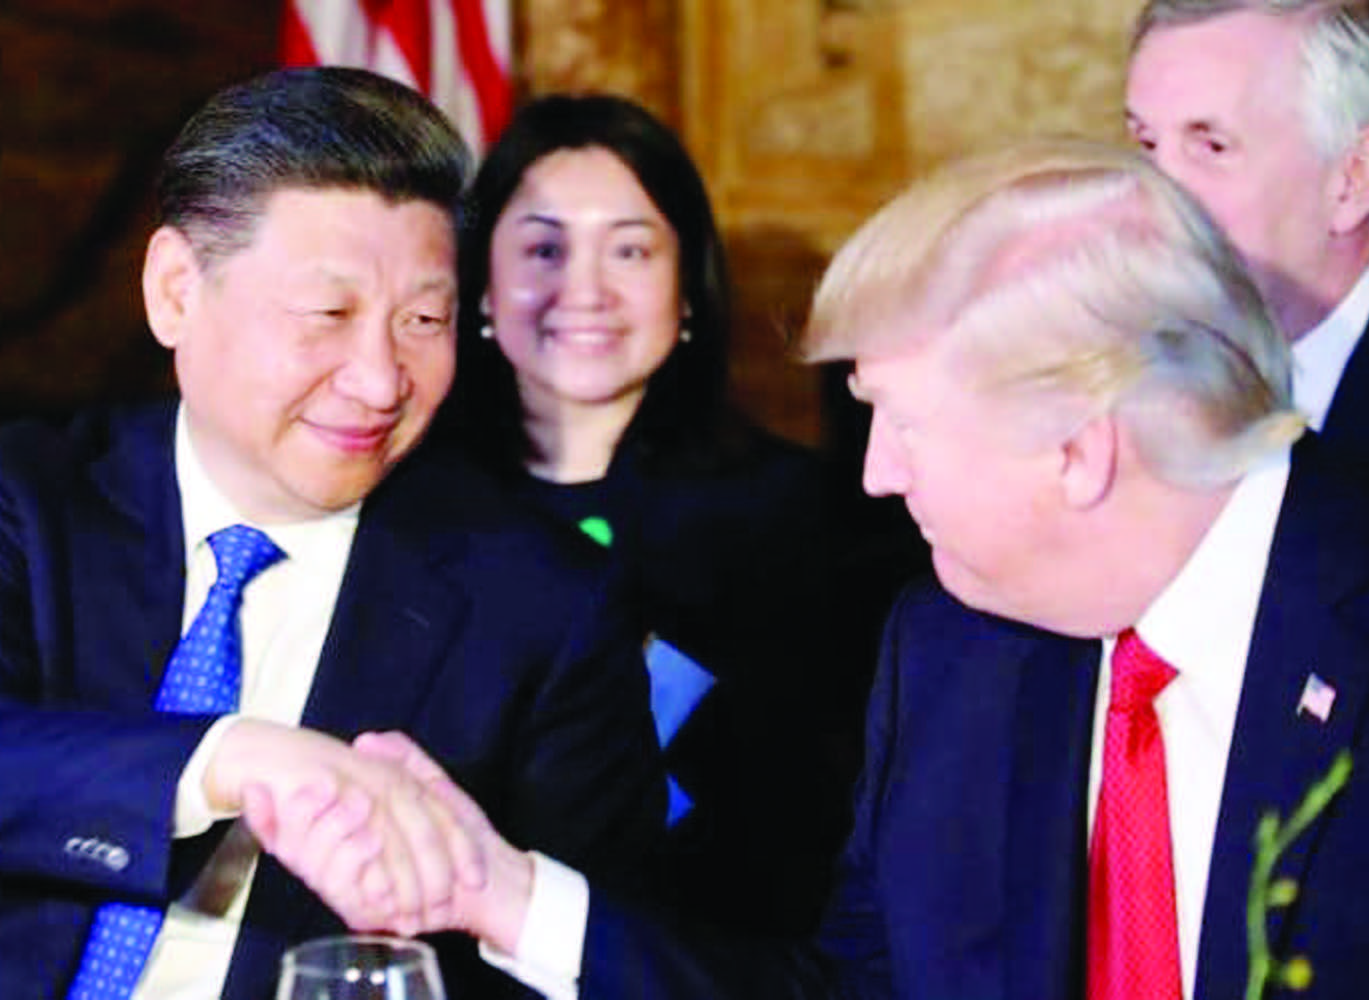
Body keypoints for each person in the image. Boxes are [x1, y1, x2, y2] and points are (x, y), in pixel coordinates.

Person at [291, 138, 1369, 999]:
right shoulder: (954, 652)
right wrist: (506, 893)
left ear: (1077, 452)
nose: (876, 480)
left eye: (898, 425)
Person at [0, 67, 665, 1000]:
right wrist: (223, 758)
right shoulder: (27, 498)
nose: (380, 379)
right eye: (329, 315)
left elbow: (608, 940)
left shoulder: (542, 602)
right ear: (175, 292)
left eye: (422, 321)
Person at [435, 92, 878, 935]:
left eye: (630, 249)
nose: (584, 289)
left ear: (685, 291)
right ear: (482, 284)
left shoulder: (801, 518)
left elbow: (812, 824)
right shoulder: (408, 505)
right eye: (542, 248)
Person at [1126, 0, 1369, 449]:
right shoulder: (1113, 372)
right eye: (1146, 143)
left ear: (1351, 181)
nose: (1155, 195)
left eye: (1212, 148)